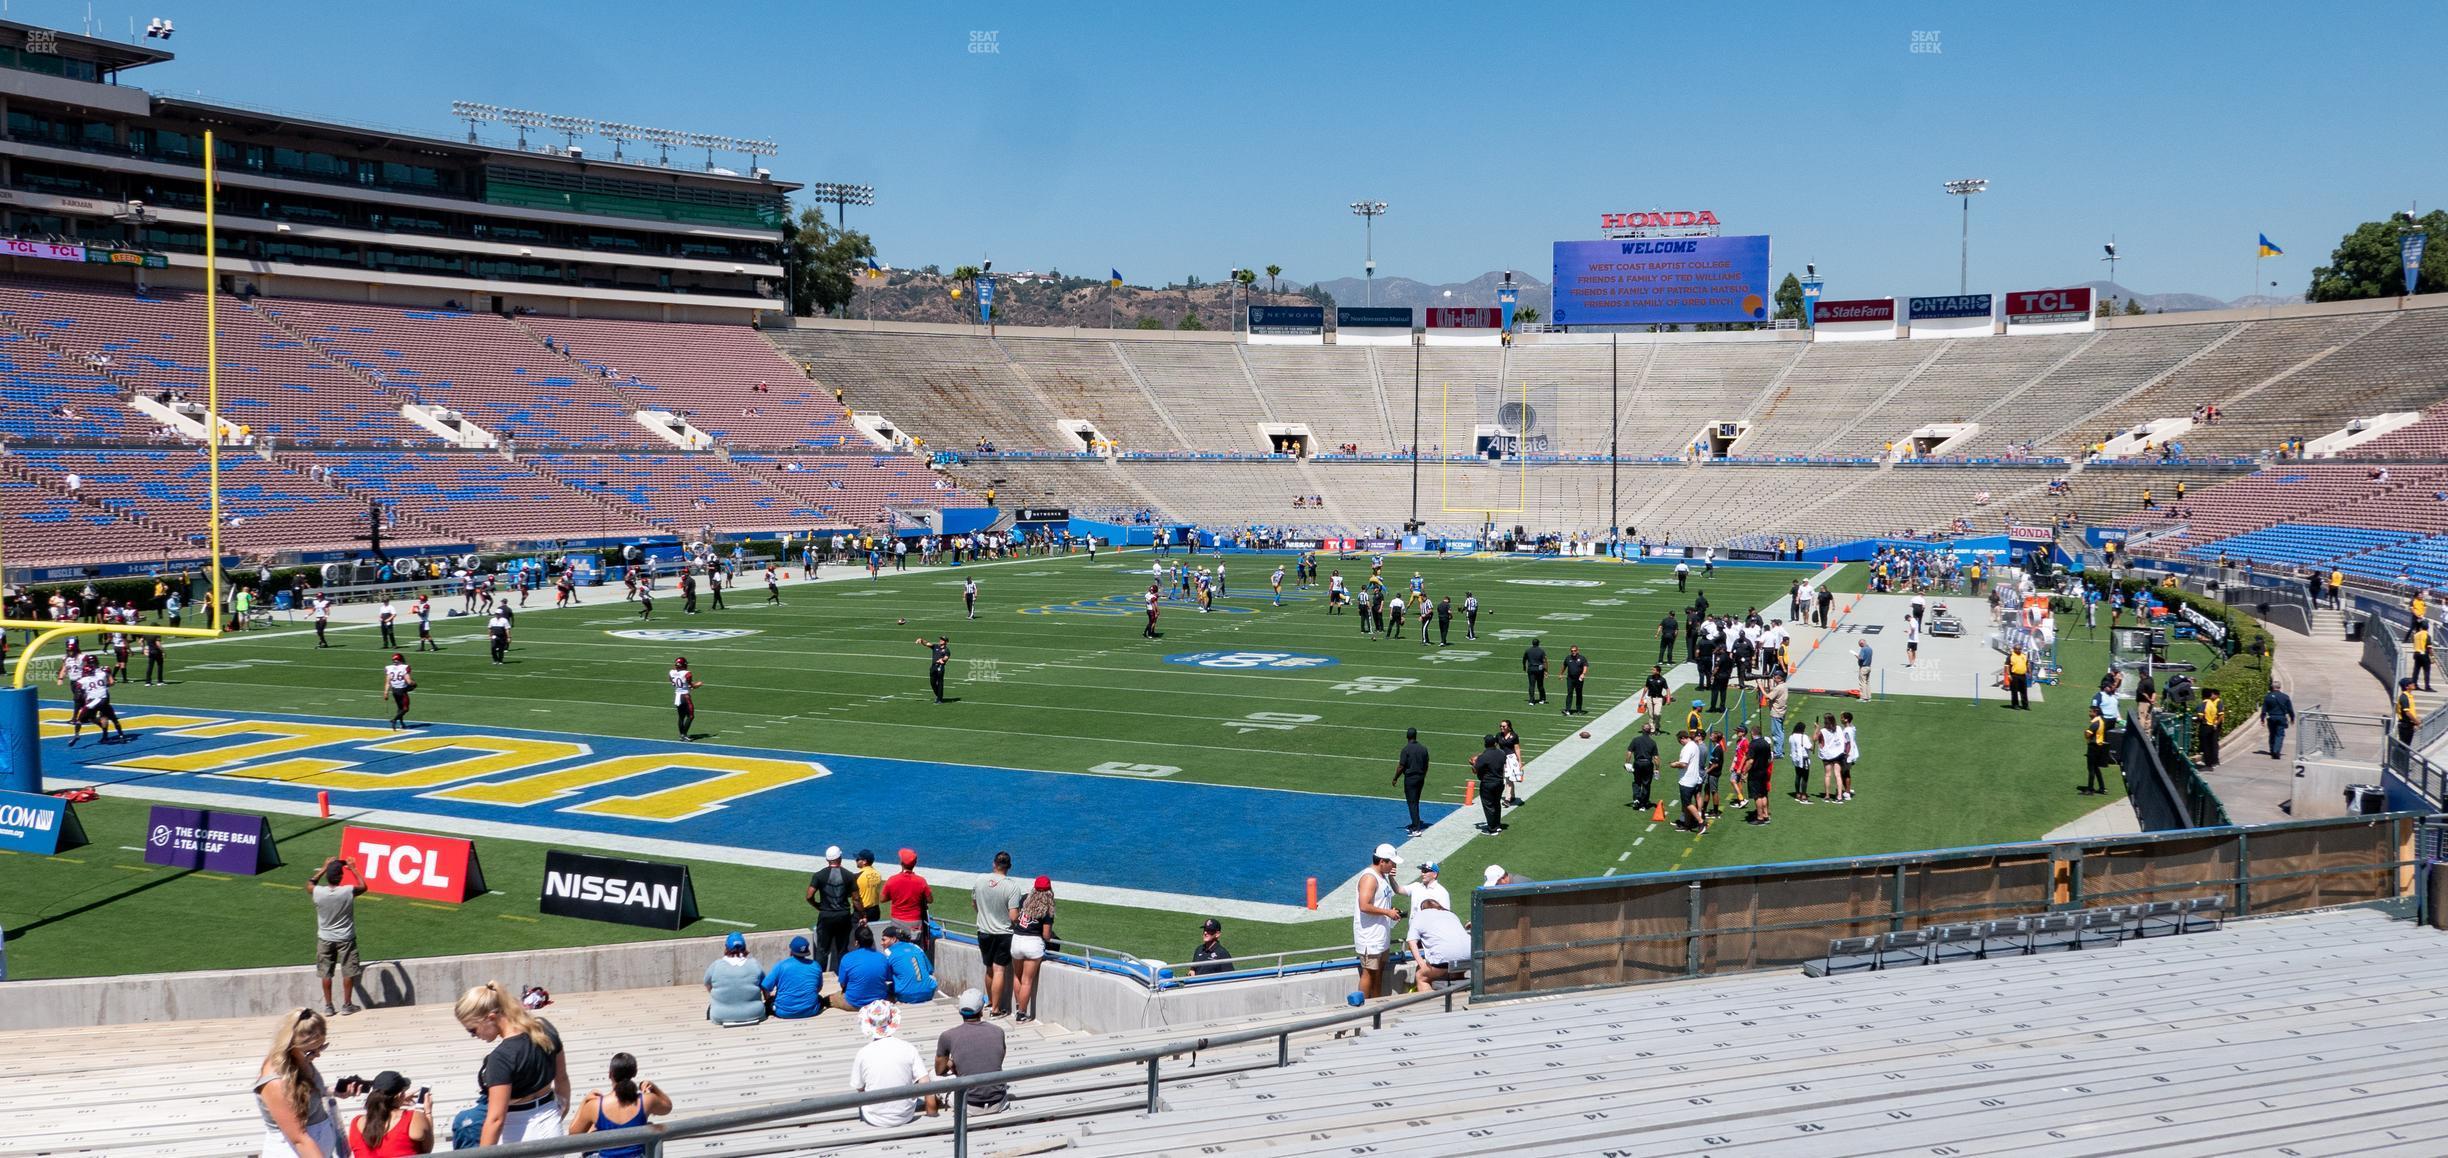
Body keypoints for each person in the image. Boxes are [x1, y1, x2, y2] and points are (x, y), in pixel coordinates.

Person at [456, 981, 570, 1146]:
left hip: (518, 1131)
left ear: (491, 1018)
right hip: (551, 1121)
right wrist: (559, 1112)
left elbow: (496, 1120)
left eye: (473, 1030)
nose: (474, 1036)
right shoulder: (545, 1029)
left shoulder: (500, 1058)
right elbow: (562, 1079)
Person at [255, 1008, 342, 1158]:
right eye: (311, 1051)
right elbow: (299, 1139)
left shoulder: (300, 1060)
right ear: (290, 1046)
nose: (318, 1054)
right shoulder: (275, 1082)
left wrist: (332, 1091)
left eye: (321, 1047)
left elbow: (305, 1092)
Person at [850, 1001, 936, 1128]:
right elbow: (926, 1082)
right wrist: (932, 1114)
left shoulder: (862, 1053)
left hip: (874, 1118)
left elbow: (859, 1087)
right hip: (905, 1115)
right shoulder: (908, 1048)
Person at [567, 1053, 668, 1158]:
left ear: (610, 1074)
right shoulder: (646, 1100)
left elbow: (574, 1134)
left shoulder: (595, 1105)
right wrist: (653, 1087)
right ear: (635, 1073)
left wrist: (585, 1101)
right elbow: (667, 1107)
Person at [934, 990, 1008, 1116]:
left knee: (930, 1076)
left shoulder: (947, 1036)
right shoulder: (998, 1031)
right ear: (981, 1010)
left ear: (960, 1011)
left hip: (968, 1105)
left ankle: (932, 1115)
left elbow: (939, 1071)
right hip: (999, 1102)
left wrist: (953, 1063)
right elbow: (996, 1059)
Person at [309, 855, 367, 1016]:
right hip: (346, 939)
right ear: (341, 877)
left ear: (328, 876)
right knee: (348, 971)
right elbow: (363, 886)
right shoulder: (347, 891)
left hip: (325, 939)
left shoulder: (318, 892)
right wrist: (354, 868)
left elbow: (310, 884)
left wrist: (323, 868)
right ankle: (347, 1005)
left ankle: (328, 1006)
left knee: (326, 973)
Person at [972, 851, 1024, 1016]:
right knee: (999, 970)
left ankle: (990, 1003)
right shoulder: (1012, 886)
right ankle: (995, 1009)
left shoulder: (980, 880)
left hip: (983, 931)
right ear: (1009, 867)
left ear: (994, 864)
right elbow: (1013, 916)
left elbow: (975, 904)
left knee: (989, 969)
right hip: (1003, 933)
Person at [1352, 843, 1403, 999]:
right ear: (1382, 861)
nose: (1394, 865)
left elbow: (1380, 901)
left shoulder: (1382, 877)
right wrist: (1387, 912)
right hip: (1370, 936)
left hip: (1381, 934)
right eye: (1391, 862)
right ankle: (1362, 1009)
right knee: (1369, 973)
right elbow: (1364, 905)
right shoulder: (1369, 878)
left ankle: (1376, 1004)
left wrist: (1390, 911)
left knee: (1378, 972)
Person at [346, 1070, 434, 1158]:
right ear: (399, 1095)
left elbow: (377, 1112)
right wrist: (427, 1112)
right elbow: (427, 1149)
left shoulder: (356, 1122)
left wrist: (395, 1102)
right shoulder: (413, 1118)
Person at [807, 846, 858, 981]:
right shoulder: (848, 875)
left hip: (826, 916)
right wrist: (862, 914)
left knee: (822, 950)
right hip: (843, 916)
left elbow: (809, 895)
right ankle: (843, 980)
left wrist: (818, 905)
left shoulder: (819, 875)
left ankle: (817, 980)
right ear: (839, 858)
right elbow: (856, 899)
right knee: (842, 950)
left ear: (827, 860)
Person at [1010, 876, 1055, 1023]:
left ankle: (1018, 1006)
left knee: (1017, 976)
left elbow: (1015, 917)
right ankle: (1021, 1013)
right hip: (1033, 944)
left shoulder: (1025, 899)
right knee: (1027, 981)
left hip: (1017, 939)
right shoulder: (1048, 908)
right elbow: (1046, 935)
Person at [1407, 897, 1471, 992]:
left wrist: (1422, 964)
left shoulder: (1420, 915)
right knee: (1457, 972)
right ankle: (1458, 996)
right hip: (1469, 955)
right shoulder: (1451, 914)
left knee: (1421, 977)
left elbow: (1411, 941)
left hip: (1444, 957)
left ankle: (1432, 1004)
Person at [881, 848, 935, 961]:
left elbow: (882, 899)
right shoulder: (921, 881)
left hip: (897, 921)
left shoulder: (893, 880)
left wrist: (896, 896)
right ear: (914, 864)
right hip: (915, 923)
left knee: (896, 950)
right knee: (915, 950)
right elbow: (930, 900)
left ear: (901, 863)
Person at [704, 931, 766, 1025]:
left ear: (726, 947)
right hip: (755, 1013)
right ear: (745, 947)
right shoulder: (754, 964)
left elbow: (708, 985)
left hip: (720, 1015)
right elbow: (765, 987)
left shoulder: (716, 965)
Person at [760, 936, 825, 1020]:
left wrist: (768, 999)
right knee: (820, 998)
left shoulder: (781, 965)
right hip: (811, 1011)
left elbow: (765, 986)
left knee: (768, 1003)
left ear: (791, 951)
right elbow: (818, 988)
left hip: (783, 1012)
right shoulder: (816, 965)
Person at [831, 925, 892, 1011]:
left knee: (829, 999)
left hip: (854, 1003)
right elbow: (887, 978)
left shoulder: (847, 958)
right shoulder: (882, 957)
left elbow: (843, 984)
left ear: (856, 942)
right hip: (879, 1002)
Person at [879, 923, 938, 1005]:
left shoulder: (888, 952)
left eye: (884, 940)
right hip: (927, 993)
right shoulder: (916, 947)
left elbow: (884, 976)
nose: (881, 943)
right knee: (931, 978)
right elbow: (930, 970)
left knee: (883, 985)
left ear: (894, 939)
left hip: (906, 995)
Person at [1672, 729, 1708, 834]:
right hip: (1694, 779)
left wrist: (1674, 764)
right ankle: (1687, 825)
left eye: (1679, 740)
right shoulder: (1694, 745)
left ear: (1682, 738)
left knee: (1687, 803)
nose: (1680, 743)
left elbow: (1683, 764)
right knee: (1685, 804)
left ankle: (1701, 822)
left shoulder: (1687, 748)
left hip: (1687, 781)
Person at [1471, 734, 1506, 834]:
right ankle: (1497, 825)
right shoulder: (1502, 753)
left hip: (1488, 783)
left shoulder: (1483, 756)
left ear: (1485, 744)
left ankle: (1492, 829)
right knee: (1496, 804)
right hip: (1499, 782)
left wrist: (1472, 763)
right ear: (1495, 743)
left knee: (1488, 805)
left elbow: (1475, 770)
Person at [1626, 721, 1660, 811]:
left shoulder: (1635, 740)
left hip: (1637, 763)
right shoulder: (1652, 742)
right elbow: (1656, 757)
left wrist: (1627, 763)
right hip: (1648, 764)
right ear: (1649, 731)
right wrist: (1657, 769)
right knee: (1646, 784)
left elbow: (1629, 752)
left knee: (1637, 782)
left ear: (1642, 730)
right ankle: (1643, 805)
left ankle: (1637, 798)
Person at [2082, 705, 2114, 796]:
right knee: (2096, 768)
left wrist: (2085, 732)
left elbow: (2087, 735)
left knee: (2091, 768)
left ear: (2096, 712)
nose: (2089, 713)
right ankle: (2102, 788)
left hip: (2093, 747)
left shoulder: (2095, 723)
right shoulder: (2102, 720)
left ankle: (2090, 789)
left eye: (2090, 711)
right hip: (2100, 747)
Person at [2263, 679, 2297, 759]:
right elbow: (2290, 710)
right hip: (2281, 717)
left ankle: (2272, 750)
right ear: (2280, 687)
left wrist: (2262, 719)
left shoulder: (2268, 697)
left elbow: (2264, 709)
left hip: (2271, 718)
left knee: (2272, 734)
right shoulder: (2285, 697)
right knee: (2280, 735)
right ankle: (2276, 750)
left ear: (2272, 687)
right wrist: (2292, 718)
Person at [669, 656, 700, 740]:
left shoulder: (671, 672)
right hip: (685, 696)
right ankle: (684, 734)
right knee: (690, 716)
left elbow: (673, 682)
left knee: (681, 717)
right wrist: (698, 685)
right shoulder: (687, 673)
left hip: (677, 696)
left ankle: (681, 735)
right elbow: (691, 686)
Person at [381, 653, 415, 730]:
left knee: (400, 708)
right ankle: (394, 720)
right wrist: (414, 684)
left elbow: (387, 682)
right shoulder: (404, 667)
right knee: (405, 708)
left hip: (394, 691)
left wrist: (386, 692)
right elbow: (409, 681)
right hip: (402, 690)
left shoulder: (389, 668)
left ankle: (402, 724)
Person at [917, 635, 951, 703]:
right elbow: (927, 643)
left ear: (946, 642)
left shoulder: (947, 650)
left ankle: (939, 699)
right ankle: (938, 696)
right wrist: (921, 640)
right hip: (933, 667)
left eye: (942, 640)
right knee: (932, 683)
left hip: (940, 667)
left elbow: (946, 657)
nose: (941, 640)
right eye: (940, 639)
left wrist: (942, 660)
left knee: (940, 683)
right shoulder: (936, 646)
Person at [2198, 688, 2224, 769]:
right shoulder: (2212, 704)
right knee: (2211, 744)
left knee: (2206, 745)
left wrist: (2198, 719)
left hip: (2206, 726)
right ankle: (2212, 762)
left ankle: (2209, 763)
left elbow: (2200, 716)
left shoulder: (2204, 703)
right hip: (2212, 726)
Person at [1561, 645, 1589, 715]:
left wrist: (1583, 674)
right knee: (1569, 693)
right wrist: (1561, 674)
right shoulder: (1568, 658)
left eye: (1574, 650)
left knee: (1579, 694)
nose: (1573, 652)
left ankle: (1579, 710)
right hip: (1570, 679)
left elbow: (1585, 666)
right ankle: (1567, 710)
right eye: (1572, 651)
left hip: (1579, 679)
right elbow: (1564, 666)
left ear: (1577, 651)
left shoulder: (1582, 658)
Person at [1522, 638, 1548, 705]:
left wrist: (1524, 666)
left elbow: (1524, 659)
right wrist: (1546, 670)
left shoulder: (1528, 650)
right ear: (1538, 643)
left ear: (1532, 643)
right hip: (1539, 669)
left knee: (1531, 685)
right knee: (1540, 685)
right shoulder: (1541, 651)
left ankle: (1531, 700)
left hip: (1531, 669)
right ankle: (1542, 699)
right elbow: (1545, 661)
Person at [2006, 644, 2032, 710]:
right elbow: (2007, 666)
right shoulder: (2011, 656)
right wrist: (2009, 675)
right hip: (2014, 675)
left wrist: (2029, 672)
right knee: (2014, 691)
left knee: (2024, 691)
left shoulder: (2024, 655)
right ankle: (2015, 705)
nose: (2018, 650)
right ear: (2014, 649)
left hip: (2023, 676)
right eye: (2016, 649)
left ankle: (2025, 705)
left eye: (2019, 649)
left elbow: (2027, 664)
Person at [2397, 677, 2420, 747]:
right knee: (2404, 747)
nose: (2413, 684)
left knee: (2406, 746)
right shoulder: (2404, 697)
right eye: (2411, 683)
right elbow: (2407, 713)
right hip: (2405, 726)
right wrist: (2417, 721)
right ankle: (2400, 758)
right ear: (2407, 686)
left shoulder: (2409, 696)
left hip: (2409, 725)